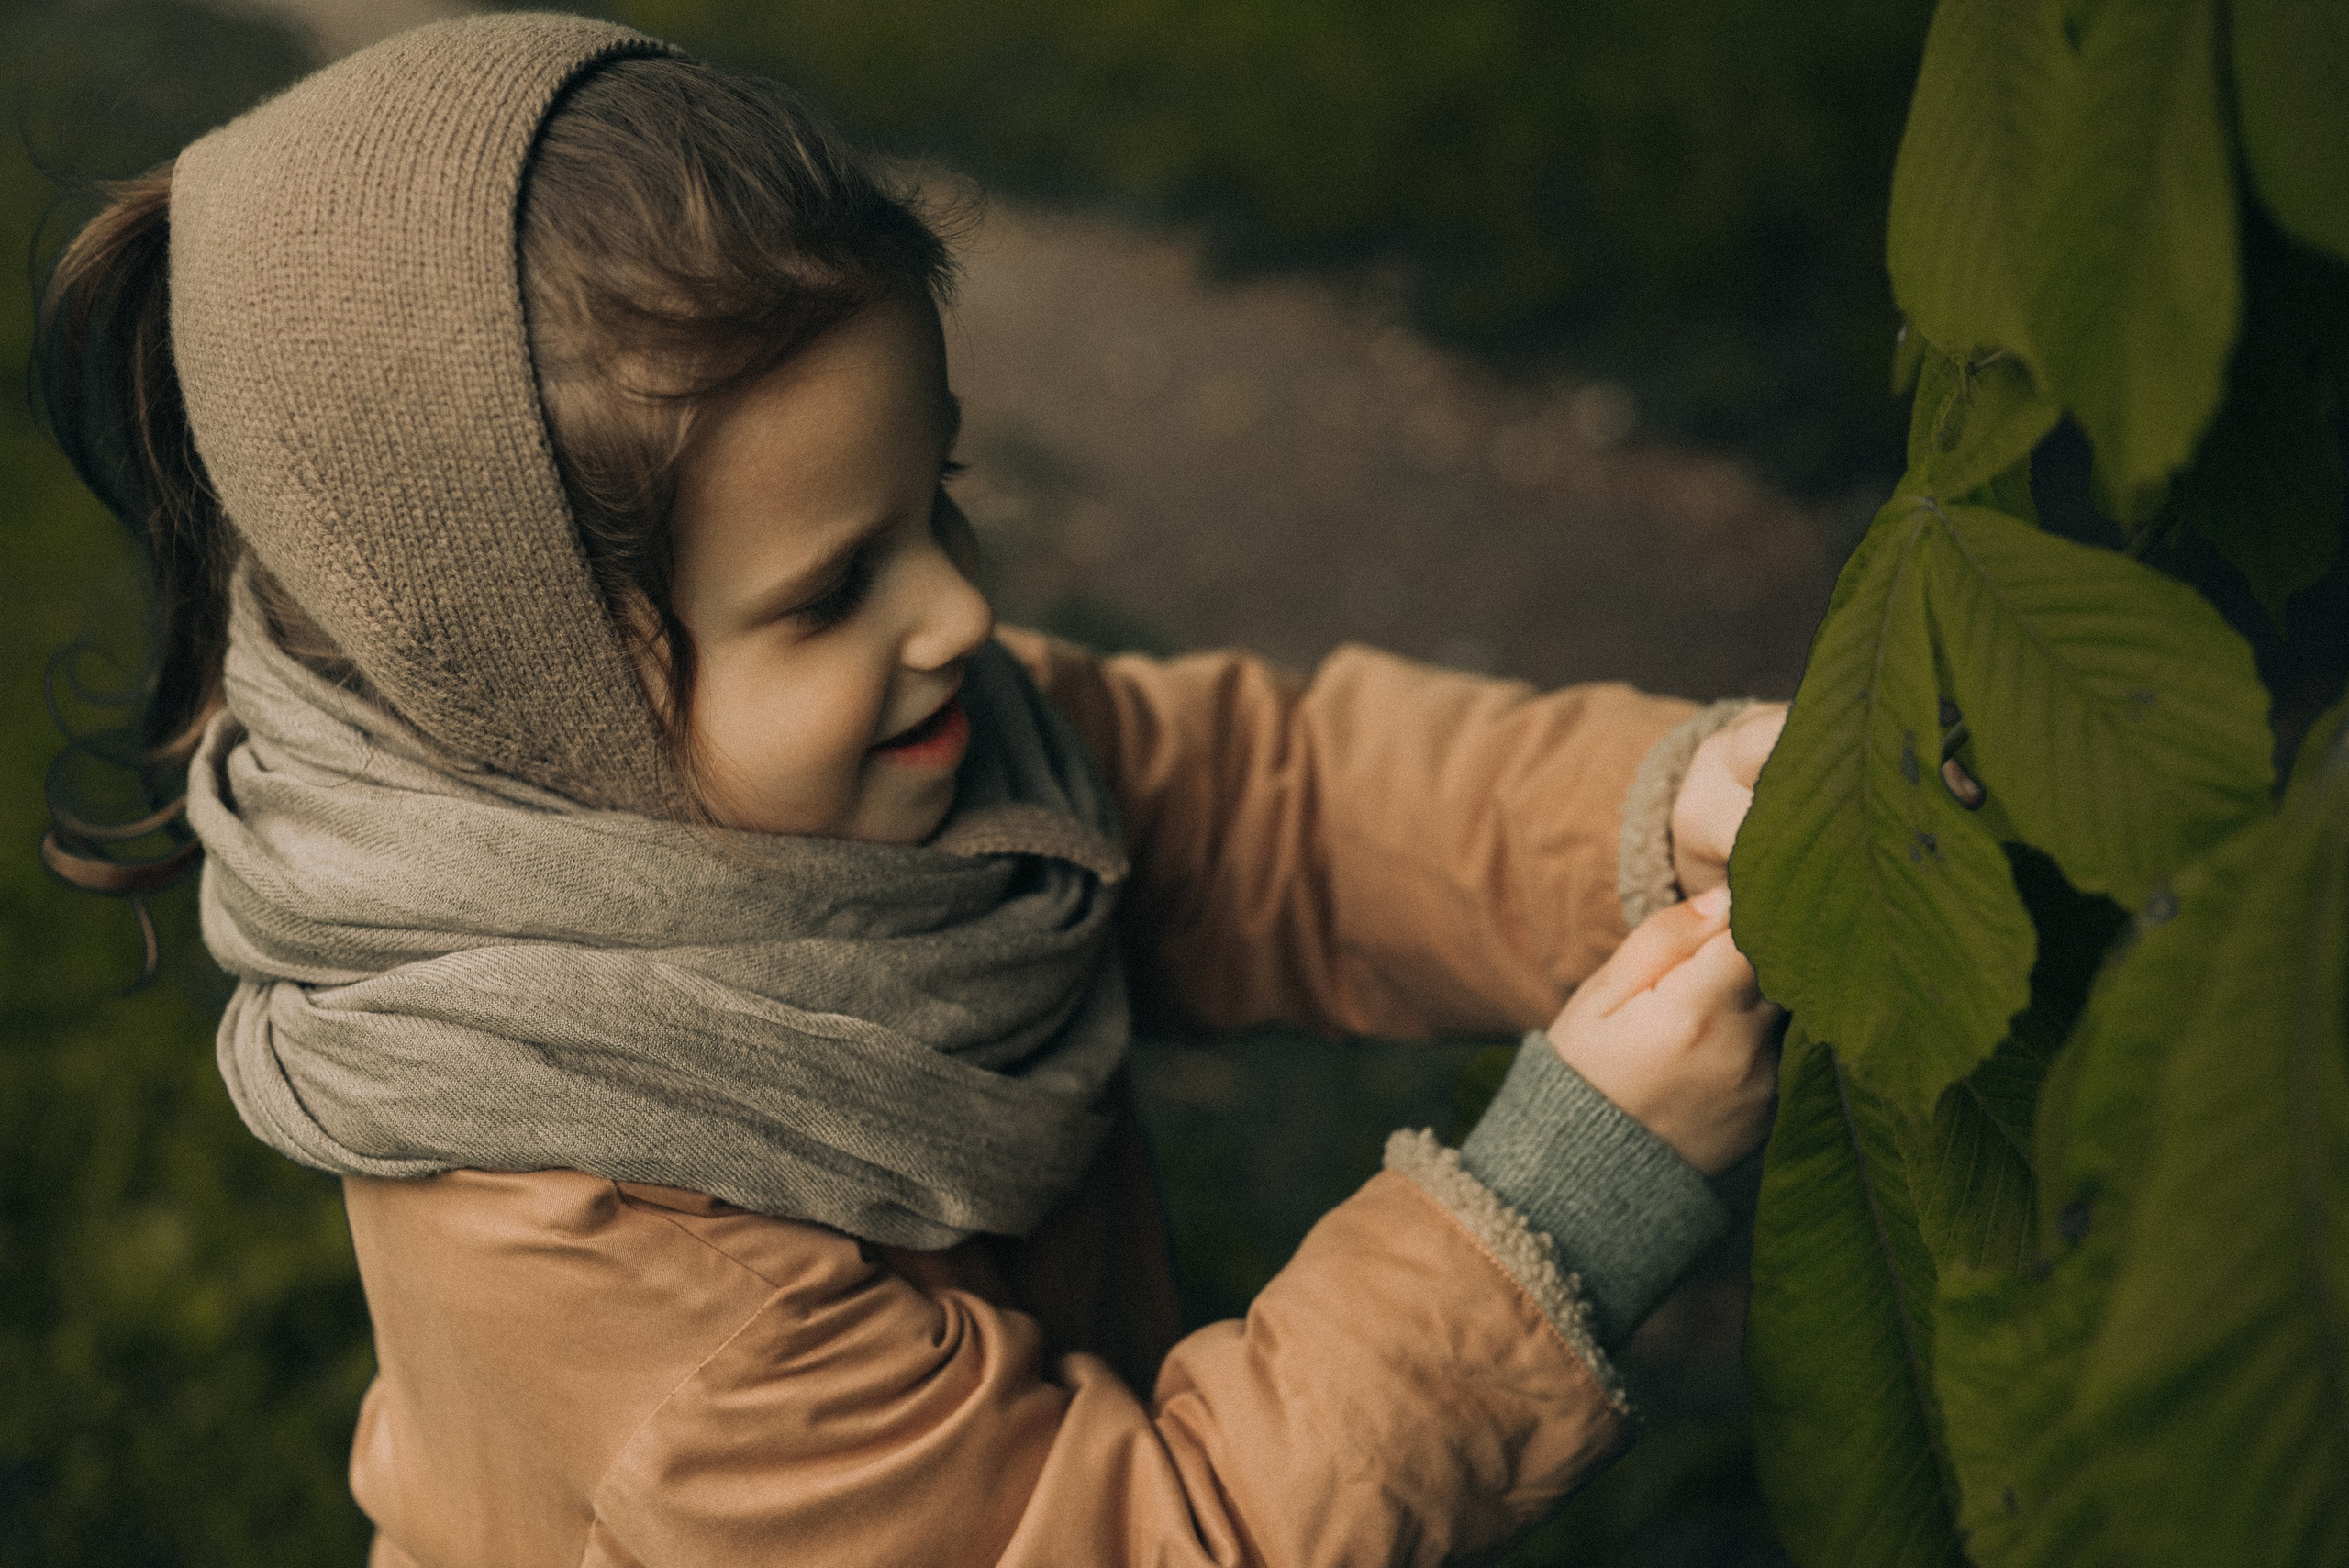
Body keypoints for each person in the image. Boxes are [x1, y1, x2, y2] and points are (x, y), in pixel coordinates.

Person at [34, 14, 1788, 1566]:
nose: (959, 610)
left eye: (934, 500)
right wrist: (1566, 1202)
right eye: (826, 590)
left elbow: (1258, 803)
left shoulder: (869, 772)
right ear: (533, 695)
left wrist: (1656, 805)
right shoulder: (616, 1251)